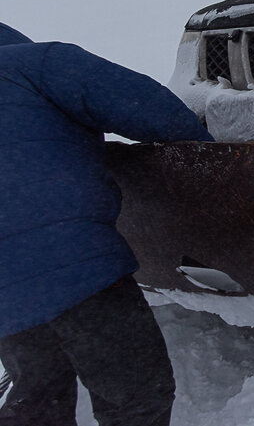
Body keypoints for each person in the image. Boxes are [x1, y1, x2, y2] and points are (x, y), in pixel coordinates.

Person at [0, 21, 213, 425]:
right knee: (136, 397)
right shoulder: (35, 62)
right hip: (77, 264)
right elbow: (140, 104)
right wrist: (214, 157)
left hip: (7, 299)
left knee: (38, 398)